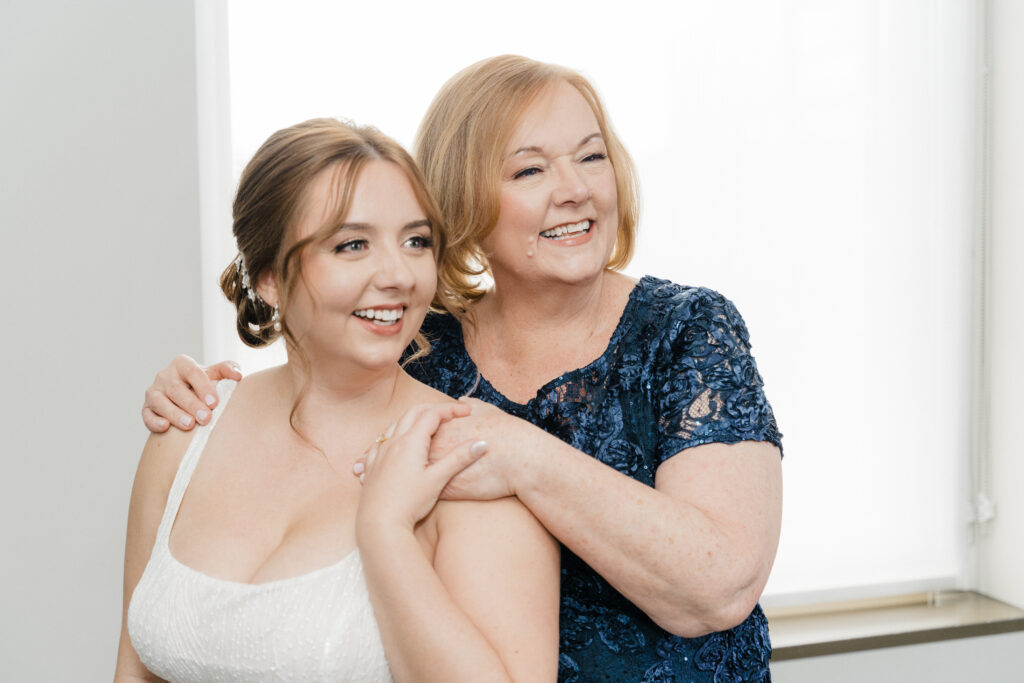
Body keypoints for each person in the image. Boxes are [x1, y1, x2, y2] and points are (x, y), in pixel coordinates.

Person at [142, 56, 783, 682]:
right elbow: (326, 341)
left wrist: (524, 457)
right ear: (463, 203)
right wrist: (193, 400)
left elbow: (719, 587)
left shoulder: (684, 331)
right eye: (530, 170)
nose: (576, 189)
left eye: (592, 156)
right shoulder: (423, 343)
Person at [115, 118, 560, 682]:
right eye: (352, 245)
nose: (399, 274)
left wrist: (386, 532)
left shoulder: (469, 460)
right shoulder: (188, 425)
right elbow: (134, 673)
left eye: (416, 242)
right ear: (270, 276)